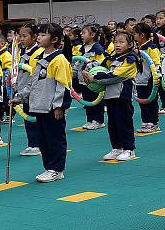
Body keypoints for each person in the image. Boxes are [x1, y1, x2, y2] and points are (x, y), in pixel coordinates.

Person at [14, 23, 73, 183]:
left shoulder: (59, 60)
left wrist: (60, 106)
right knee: (43, 139)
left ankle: (57, 169)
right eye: (39, 34)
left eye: (43, 35)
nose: (38, 37)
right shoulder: (39, 59)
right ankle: (49, 167)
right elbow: (32, 83)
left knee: (55, 139)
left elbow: (63, 85)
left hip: (51, 108)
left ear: (54, 39)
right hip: (39, 106)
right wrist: (21, 97)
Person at [83, 29, 140, 162]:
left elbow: (115, 76)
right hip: (110, 96)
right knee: (113, 124)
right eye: (115, 42)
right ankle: (117, 148)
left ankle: (129, 149)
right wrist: (88, 69)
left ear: (130, 44)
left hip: (123, 97)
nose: (117, 45)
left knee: (124, 123)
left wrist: (94, 77)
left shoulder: (131, 59)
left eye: (121, 42)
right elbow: (100, 66)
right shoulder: (112, 58)